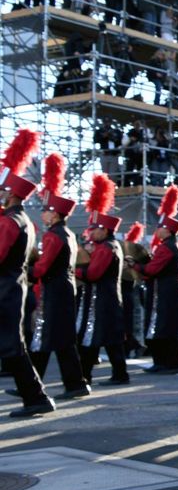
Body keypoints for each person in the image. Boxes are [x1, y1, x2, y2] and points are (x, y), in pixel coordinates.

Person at [0, 130, 55, 417]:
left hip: (5, 289)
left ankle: (36, 398)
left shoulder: (10, 222)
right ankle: (36, 397)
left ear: (9, 194)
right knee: (13, 347)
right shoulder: (18, 219)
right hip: (11, 287)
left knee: (13, 348)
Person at [28, 153, 90, 399]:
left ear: (53, 214)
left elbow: (43, 267)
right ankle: (65, 383)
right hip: (63, 288)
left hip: (55, 289)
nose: (42, 214)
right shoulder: (66, 233)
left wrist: (25, 270)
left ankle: (37, 385)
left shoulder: (53, 235)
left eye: (45, 210)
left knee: (50, 337)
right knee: (58, 339)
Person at [129, 185, 178, 374]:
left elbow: (153, 269)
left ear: (168, 230)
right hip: (170, 289)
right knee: (167, 326)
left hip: (166, 290)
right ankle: (167, 362)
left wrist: (135, 266)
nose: (157, 230)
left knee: (164, 327)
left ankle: (168, 363)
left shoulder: (166, 247)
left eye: (160, 227)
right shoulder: (173, 246)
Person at [77, 176, 130, 385]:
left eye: (95, 229)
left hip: (101, 299)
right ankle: (119, 374)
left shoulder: (105, 248)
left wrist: (76, 271)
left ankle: (86, 376)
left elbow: (93, 274)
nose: (91, 233)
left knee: (92, 338)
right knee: (109, 339)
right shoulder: (111, 246)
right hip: (107, 298)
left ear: (105, 230)